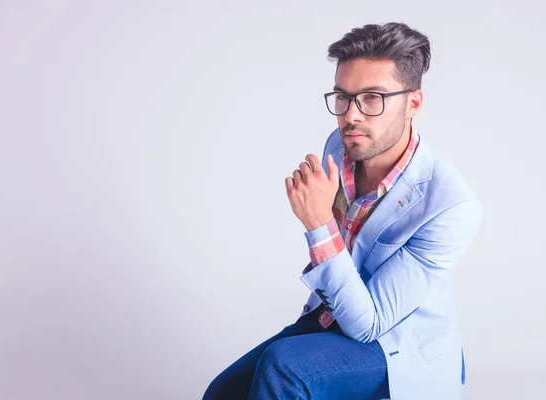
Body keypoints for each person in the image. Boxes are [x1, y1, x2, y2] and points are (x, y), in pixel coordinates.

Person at [203, 21, 483, 400]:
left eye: (372, 98)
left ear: (413, 103)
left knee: (284, 368)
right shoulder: (339, 146)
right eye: (343, 97)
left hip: (396, 342)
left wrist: (317, 224)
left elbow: (370, 325)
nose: (351, 115)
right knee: (223, 392)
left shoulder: (451, 205)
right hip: (332, 315)